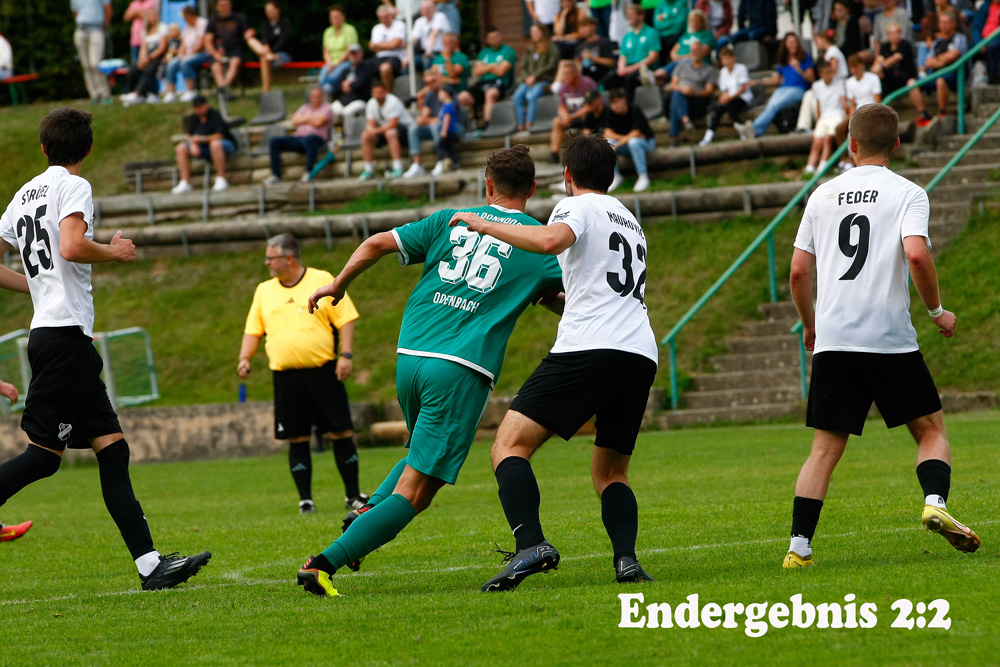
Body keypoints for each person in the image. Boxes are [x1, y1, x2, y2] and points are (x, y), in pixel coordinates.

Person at [295, 145, 564, 597]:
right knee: (418, 491)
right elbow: (567, 302)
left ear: (488, 186)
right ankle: (323, 565)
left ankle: (365, 516)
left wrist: (338, 283)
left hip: (410, 358)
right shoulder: (539, 241)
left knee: (420, 459)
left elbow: (376, 243)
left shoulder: (451, 219)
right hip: (459, 368)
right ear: (534, 189)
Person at [0, 108, 211, 590]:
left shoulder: (23, 193)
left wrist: (37, 289)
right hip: (64, 341)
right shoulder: (75, 187)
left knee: (113, 452)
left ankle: (150, 566)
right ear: (88, 150)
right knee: (43, 456)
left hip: (58, 337)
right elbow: (72, 247)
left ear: (43, 147)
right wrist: (115, 252)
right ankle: (150, 565)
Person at [451, 133, 658, 591]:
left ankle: (531, 545)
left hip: (590, 346)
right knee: (611, 472)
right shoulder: (629, 219)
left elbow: (549, 241)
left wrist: (483, 225)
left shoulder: (575, 207)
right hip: (639, 351)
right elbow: (598, 291)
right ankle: (627, 561)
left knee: (508, 445)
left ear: (567, 176)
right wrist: (553, 300)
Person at [783, 103, 981, 569]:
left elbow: (797, 272)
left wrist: (811, 324)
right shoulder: (908, 193)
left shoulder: (821, 195)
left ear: (849, 144)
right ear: (896, 144)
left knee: (824, 450)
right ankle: (935, 501)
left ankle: (798, 548)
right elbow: (916, 256)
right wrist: (936, 310)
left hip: (835, 339)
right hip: (888, 338)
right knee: (930, 430)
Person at [238, 234, 367, 514]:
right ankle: (305, 500)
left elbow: (345, 319)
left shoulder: (321, 279)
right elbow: (253, 329)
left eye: (271, 258)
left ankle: (353, 495)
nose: (267, 263)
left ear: (289, 258)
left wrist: (345, 355)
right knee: (296, 437)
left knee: (341, 431)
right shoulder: (264, 291)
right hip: (286, 378)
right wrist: (244, 358)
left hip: (323, 372)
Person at [736, 32, 815, 140]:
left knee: (775, 105)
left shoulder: (805, 57)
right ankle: (754, 132)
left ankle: (753, 128)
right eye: (791, 42)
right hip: (784, 88)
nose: (793, 44)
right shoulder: (784, 59)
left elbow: (811, 78)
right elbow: (776, 80)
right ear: (786, 44)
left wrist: (799, 69)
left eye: (795, 42)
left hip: (798, 89)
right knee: (770, 105)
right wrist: (758, 81)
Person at [264, 86, 334, 185]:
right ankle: (275, 175)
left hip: (317, 138)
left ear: (322, 97)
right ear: (310, 98)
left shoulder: (327, 107)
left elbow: (319, 122)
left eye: (318, 96)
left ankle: (308, 172)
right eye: (314, 96)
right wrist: (311, 119)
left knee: (309, 140)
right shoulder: (305, 107)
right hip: (299, 137)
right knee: (274, 141)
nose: (316, 98)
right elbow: (294, 120)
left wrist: (304, 119)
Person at [171, 95, 238, 194]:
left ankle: (221, 178)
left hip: (224, 145)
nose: (199, 109)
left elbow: (220, 135)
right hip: (203, 148)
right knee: (181, 148)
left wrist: (202, 139)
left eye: (201, 106)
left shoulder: (215, 115)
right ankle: (185, 181)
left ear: (207, 105)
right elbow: (190, 136)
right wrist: (193, 145)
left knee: (215, 144)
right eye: (196, 107)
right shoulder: (193, 118)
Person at [912, 11, 968, 127]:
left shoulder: (959, 38)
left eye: (946, 22)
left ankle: (942, 112)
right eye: (941, 23)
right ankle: (923, 114)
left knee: (940, 81)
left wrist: (937, 60)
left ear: (953, 23)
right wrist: (942, 60)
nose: (943, 25)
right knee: (911, 83)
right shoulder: (937, 42)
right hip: (935, 74)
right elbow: (928, 62)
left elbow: (954, 55)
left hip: (953, 75)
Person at [458, 27, 517, 130]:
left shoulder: (508, 51)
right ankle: (461, 127)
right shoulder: (483, 52)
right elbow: (477, 71)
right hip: (483, 82)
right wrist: (494, 66)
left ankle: (487, 125)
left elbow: (501, 71)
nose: (495, 39)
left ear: (500, 36)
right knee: (461, 96)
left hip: (499, 83)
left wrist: (486, 67)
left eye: (496, 37)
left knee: (490, 93)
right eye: (492, 38)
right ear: (487, 40)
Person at [600, 4, 660, 102]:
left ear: (641, 16)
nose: (629, 17)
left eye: (632, 14)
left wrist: (631, 68)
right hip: (627, 68)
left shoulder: (651, 33)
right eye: (628, 15)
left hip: (644, 69)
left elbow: (653, 57)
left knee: (630, 80)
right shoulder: (627, 36)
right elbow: (622, 56)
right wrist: (621, 68)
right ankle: (613, 109)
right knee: (607, 82)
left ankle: (628, 109)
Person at [601, 88, 657, 192]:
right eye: (612, 104)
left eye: (616, 102)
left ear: (624, 100)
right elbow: (607, 133)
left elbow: (636, 133)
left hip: (647, 143)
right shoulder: (611, 112)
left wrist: (618, 144)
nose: (614, 106)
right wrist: (624, 139)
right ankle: (615, 176)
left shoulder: (635, 110)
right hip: (626, 144)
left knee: (634, 142)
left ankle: (643, 176)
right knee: (608, 143)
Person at [359, 81, 415, 181]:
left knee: (391, 132)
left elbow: (393, 123)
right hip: (384, 130)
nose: (378, 94)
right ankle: (368, 169)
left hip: (405, 131)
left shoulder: (393, 101)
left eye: (380, 92)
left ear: (385, 92)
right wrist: (370, 131)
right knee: (365, 135)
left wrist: (375, 131)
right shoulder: (371, 103)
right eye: (375, 92)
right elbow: (370, 123)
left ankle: (398, 167)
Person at [700, 44, 753, 146]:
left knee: (729, 105)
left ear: (734, 58)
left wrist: (728, 97)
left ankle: (742, 132)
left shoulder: (741, 68)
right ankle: (708, 136)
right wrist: (724, 97)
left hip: (743, 98)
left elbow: (743, 88)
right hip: (730, 99)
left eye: (728, 58)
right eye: (724, 59)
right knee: (720, 109)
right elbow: (725, 90)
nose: (726, 61)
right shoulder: (723, 72)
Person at [548, 60, 598, 163]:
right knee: (557, 121)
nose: (565, 76)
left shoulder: (587, 83)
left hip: (589, 118)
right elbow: (562, 107)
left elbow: (592, 106)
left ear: (576, 73)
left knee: (586, 119)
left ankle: (584, 158)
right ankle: (554, 155)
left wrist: (572, 116)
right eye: (564, 74)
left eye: (568, 73)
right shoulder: (564, 87)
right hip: (573, 118)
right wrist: (565, 116)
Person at [668, 40, 716, 147]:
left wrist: (694, 92)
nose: (695, 53)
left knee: (676, 99)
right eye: (693, 50)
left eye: (697, 50)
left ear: (703, 52)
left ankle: (674, 136)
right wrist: (683, 89)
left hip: (697, 101)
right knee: (677, 94)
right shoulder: (681, 66)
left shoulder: (709, 69)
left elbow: (709, 91)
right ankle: (686, 121)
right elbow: (673, 84)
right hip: (681, 98)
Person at [512, 24, 560, 131]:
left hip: (544, 80)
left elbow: (551, 65)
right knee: (517, 96)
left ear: (543, 32)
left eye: (536, 31)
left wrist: (535, 76)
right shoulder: (530, 49)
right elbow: (523, 66)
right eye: (532, 32)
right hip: (529, 81)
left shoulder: (551, 47)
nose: (534, 34)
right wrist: (527, 77)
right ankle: (520, 123)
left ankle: (530, 122)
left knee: (533, 96)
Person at [803, 60, 847, 176]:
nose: (830, 75)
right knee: (817, 142)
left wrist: (845, 116)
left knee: (828, 139)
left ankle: (822, 166)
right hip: (824, 118)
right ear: (821, 74)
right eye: (827, 73)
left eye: (831, 72)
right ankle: (810, 167)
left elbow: (843, 103)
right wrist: (818, 122)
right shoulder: (817, 86)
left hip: (837, 115)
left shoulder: (839, 83)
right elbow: (819, 106)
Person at [120, 8, 169, 106]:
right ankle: (130, 92)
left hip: (158, 57)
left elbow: (162, 47)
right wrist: (141, 59)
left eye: (153, 15)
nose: (152, 17)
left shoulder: (162, 27)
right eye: (150, 15)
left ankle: (139, 93)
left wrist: (149, 58)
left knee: (148, 70)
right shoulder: (145, 30)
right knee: (134, 68)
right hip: (147, 57)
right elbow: (143, 47)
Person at [163, 6, 210, 103]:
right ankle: (171, 93)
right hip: (189, 54)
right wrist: (180, 53)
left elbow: (202, 43)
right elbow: (183, 43)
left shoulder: (202, 23)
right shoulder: (188, 26)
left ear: (189, 15)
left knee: (185, 62)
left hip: (203, 54)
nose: (183, 19)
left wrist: (189, 54)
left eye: (184, 16)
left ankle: (190, 91)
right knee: (171, 63)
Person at [245, 1, 293, 93]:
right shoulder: (265, 26)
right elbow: (265, 41)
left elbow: (284, 41)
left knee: (264, 58)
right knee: (251, 41)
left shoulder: (285, 23)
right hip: (268, 55)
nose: (268, 12)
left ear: (278, 10)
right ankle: (266, 92)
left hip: (284, 55)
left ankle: (265, 92)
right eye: (266, 10)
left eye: (271, 10)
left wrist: (272, 52)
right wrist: (268, 51)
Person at [403, 70, 445, 178]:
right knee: (413, 127)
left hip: (451, 127)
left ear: (438, 79)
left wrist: (430, 120)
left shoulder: (447, 91)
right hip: (435, 126)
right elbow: (425, 115)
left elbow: (447, 116)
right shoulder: (429, 95)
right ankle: (417, 164)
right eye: (427, 83)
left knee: (436, 126)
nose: (430, 84)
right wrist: (421, 119)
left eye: (432, 81)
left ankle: (442, 160)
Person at [204, 0, 249, 97]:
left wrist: (250, 34)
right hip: (219, 51)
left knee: (235, 62)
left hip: (235, 50)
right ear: (217, 7)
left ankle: (223, 89)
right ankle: (224, 91)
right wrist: (215, 53)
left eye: (226, 5)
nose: (224, 7)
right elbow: (207, 41)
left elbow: (246, 33)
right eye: (222, 5)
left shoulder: (238, 18)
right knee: (216, 67)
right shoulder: (213, 21)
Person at [72, 0, 113, 105]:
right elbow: (75, 12)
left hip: (96, 29)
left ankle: (105, 93)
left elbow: (107, 9)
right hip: (81, 30)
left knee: (96, 64)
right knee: (86, 65)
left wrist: (103, 26)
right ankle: (94, 94)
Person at [655, 8, 714, 80]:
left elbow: (703, 52)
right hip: (679, 62)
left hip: (695, 63)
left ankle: (654, 75)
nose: (695, 23)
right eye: (693, 20)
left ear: (703, 22)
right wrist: (678, 58)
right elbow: (673, 51)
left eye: (698, 20)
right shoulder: (685, 35)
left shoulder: (707, 34)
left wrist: (682, 58)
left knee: (679, 64)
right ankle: (655, 77)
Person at [319, 5, 361, 96]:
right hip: (330, 62)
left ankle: (329, 96)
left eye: (337, 16)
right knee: (322, 79)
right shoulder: (328, 32)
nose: (335, 19)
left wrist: (336, 64)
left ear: (343, 17)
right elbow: (326, 51)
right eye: (332, 17)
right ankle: (327, 95)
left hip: (345, 61)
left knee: (333, 77)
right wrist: (330, 63)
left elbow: (349, 51)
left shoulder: (350, 30)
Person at [331, 44, 377, 119]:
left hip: (360, 99)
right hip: (344, 100)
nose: (354, 56)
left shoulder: (367, 68)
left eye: (356, 53)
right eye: (351, 54)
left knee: (346, 112)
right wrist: (343, 86)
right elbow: (336, 87)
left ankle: (348, 130)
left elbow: (362, 83)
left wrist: (350, 85)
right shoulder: (346, 71)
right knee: (331, 110)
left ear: (362, 54)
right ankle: (336, 130)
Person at [872, 22, 918, 97]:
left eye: (897, 33)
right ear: (888, 35)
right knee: (877, 83)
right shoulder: (885, 46)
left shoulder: (905, 44)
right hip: (889, 79)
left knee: (912, 83)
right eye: (893, 33)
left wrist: (881, 66)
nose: (896, 35)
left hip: (906, 77)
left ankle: (922, 109)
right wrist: (878, 69)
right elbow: (875, 66)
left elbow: (897, 57)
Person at [370, 4, 408, 91]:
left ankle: (388, 95)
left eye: (386, 16)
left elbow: (394, 44)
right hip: (379, 58)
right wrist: (390, 44)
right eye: (381, 17)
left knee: (385, 68)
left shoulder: (399, 25)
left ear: (392, 15)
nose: (384, 19)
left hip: (396, 58)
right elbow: (372, 47)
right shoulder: (377, 28)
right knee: (364, 68)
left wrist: (379, 45)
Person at [574, 16, 616, 83]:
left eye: (585, 26)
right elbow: (577, 62)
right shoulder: (580, 46)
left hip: (601, 74)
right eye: (581, 27)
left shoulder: (604, 42)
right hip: (584, 75)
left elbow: (611, 62)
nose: (582, 29)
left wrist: (592, 58)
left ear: (593, 26)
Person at [412, 0, 451, 71]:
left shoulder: (440, 16)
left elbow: (434, 34)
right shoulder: (419, 21)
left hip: (440, 53)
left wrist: (428, 52)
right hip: (424, 53)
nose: (427, 11)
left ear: (434, 8)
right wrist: (407, 57)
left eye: (428, 8)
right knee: (411, 63)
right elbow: (414, 39)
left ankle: (427, 81)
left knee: (428, 61)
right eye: (424, 9)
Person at [433, 84, 463, 174]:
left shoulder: (448, 105)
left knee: (439, 146)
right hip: (451, 131)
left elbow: (447, 118)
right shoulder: (450, 105)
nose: (438, 95)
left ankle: (442, 160)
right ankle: (455, 163)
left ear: (446, 94)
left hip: (448, 131)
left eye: (440, 93)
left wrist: (443, 131)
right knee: (451, 148)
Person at [654, 0, 690, 66]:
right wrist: (672, 21)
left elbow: (680, 25)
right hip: (662, 37)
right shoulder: (660, 4)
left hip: (677, 36)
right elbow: (657, 25)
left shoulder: (681, 4)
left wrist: (665, 21)